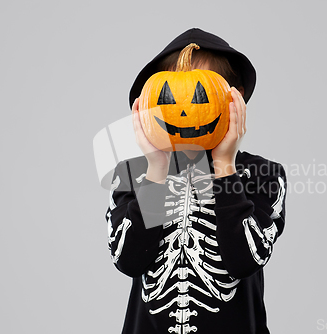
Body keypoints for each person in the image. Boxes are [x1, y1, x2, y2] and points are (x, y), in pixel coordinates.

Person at [105, 28, 287, 334]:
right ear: (148, 104)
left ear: (236, 99)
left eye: (202, 93)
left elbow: (245, 259)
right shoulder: (132, 174)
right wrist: (157, 168)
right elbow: (129, 260)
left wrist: (225, 165)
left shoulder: (263, 175)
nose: (186, 110)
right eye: (171, 95)